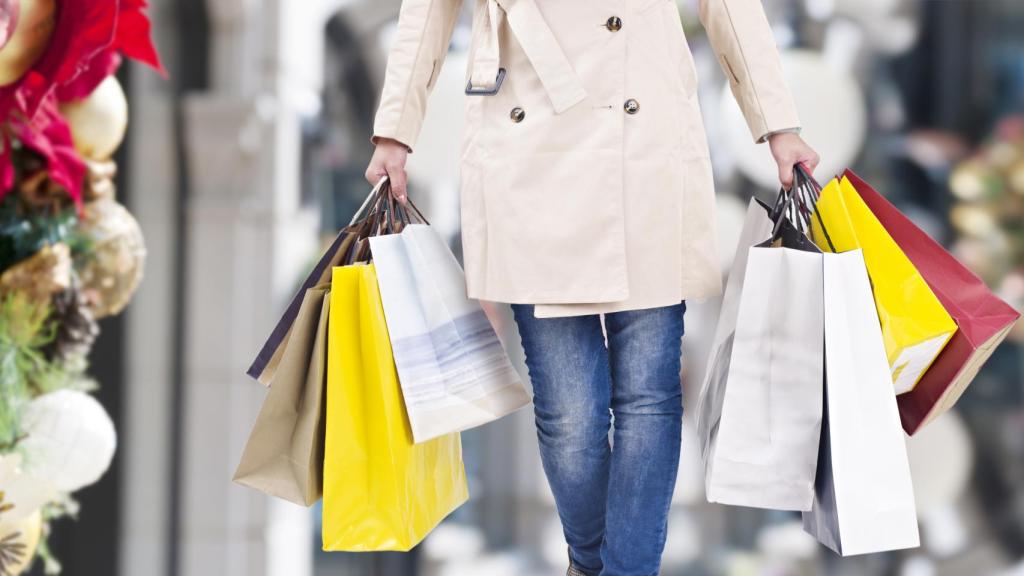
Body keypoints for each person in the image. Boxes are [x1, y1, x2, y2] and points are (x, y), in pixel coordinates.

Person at [365, 0, 818, 574]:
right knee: (570, 414)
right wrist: (395, 133)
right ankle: (588, 562)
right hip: (528, 142)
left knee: (648, 395)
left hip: (644, 144)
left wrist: (778, 124)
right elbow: (428, 11)